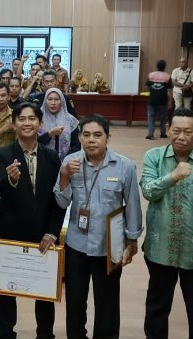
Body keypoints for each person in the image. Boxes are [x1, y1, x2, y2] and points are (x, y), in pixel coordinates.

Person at [53, 114, 142, 338]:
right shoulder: (69, 162)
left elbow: (132, 205)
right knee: (75, 301)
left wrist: (132, 241)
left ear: (107, 138)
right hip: (76, 244)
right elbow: (61, 202)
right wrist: (64, 177)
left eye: (97, 135)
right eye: (86, 135)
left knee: (108, 303)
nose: (91, 140)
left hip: (109, 246)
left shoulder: (124, 166)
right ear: (80, 137)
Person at [141, 109, 193, 339]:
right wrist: (173, 177)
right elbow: (148, 191)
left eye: (188, 131)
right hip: (160, 250)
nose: (181, 136)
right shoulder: (153, 157)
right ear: (167, 129)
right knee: (157, 310)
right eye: (176, 130)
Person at [0, 102, 65, 338]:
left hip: (43, 233)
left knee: (44, 292)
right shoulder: (2, 154)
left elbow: (58, 199)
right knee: (6, 291)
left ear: (40, 124)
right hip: (10, 233)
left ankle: (45, 334)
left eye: (32, 119)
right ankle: (5, 333)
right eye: (21, 119)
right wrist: (11, 180)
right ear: (13, 124)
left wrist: (52, 231)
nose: (27, 123)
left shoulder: (52, 157)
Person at [38, 88, 80, 160]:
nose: (53, 103)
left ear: (62, 101)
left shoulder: (71, 120)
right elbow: (33, 143)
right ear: (45, 101)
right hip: (42, 161)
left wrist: (67, 159)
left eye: (56, 99)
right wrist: (49, 134)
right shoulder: (38, 119)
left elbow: (76, 145)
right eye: (50, 99)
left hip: (66, 162)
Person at [146, 60, 173, 140]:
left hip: (152, 100)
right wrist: (170, 100)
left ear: (157, 66)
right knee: (163, 117)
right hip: (163, 100)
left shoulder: (151, 75)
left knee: (151, 117)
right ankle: (163, 133)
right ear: (165, 66)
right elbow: (170, 90)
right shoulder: (167, 76)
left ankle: (150, 134)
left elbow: (147, 87)